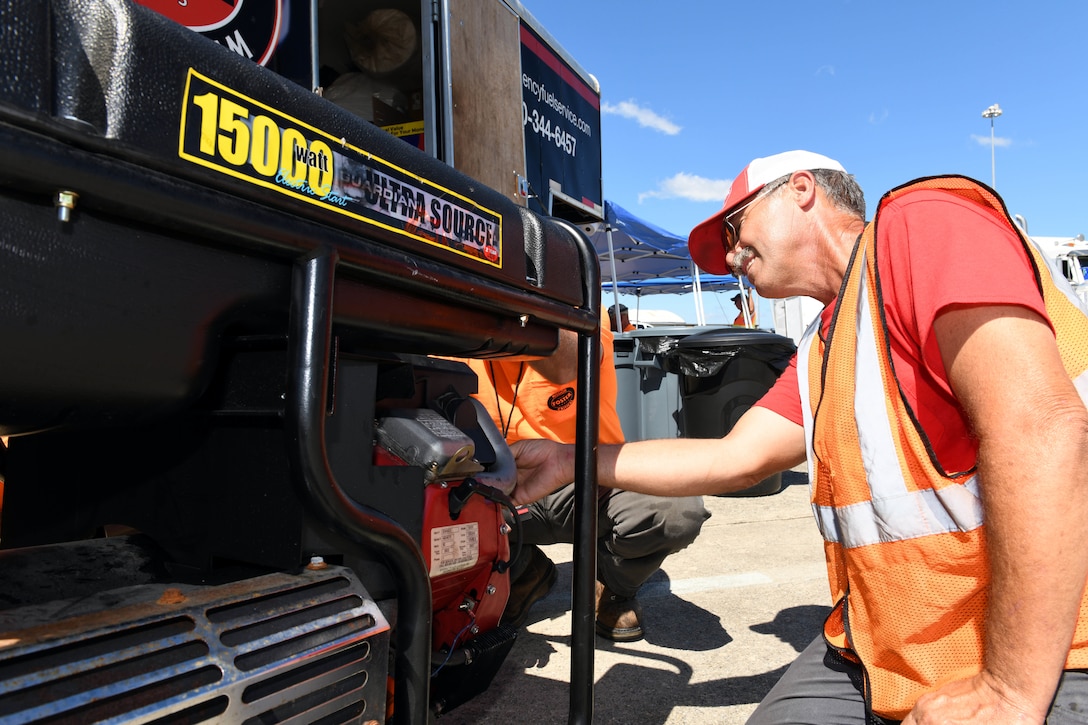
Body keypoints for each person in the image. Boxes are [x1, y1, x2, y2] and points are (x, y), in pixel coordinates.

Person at [510, 150, 1088, 723]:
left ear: (801, 190)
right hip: (893, 650)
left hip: (1050, 648)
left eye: (735, 229)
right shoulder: (822, 343)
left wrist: (1009, 691)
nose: (732, 256)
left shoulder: (918, 224)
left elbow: (1041, 426)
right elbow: (735, 458)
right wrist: (570, 459)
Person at [463, 314, 709, 641]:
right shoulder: (452, 321)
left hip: (587, 482)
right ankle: (523, 570)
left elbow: (567, 362)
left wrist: (501, 302)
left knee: (676, 510)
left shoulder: (575, 301)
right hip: (502, 490)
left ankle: (613, 585)